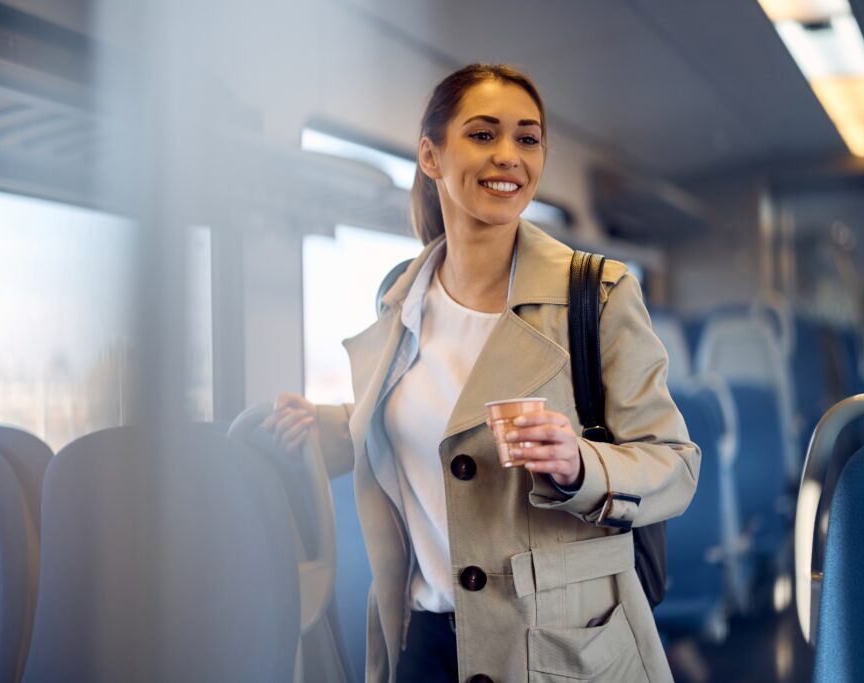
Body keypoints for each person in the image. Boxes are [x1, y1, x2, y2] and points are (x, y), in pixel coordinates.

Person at [264, 63, 699, 683]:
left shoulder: (596, 293)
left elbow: (675, 465)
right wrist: (327, 425)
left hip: (556, 645)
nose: (508, 156)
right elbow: (427, 423)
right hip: (425, 638)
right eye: (483, 134)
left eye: (527, 138)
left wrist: (580, 465)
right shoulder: (400, 299)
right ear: (430, 155)